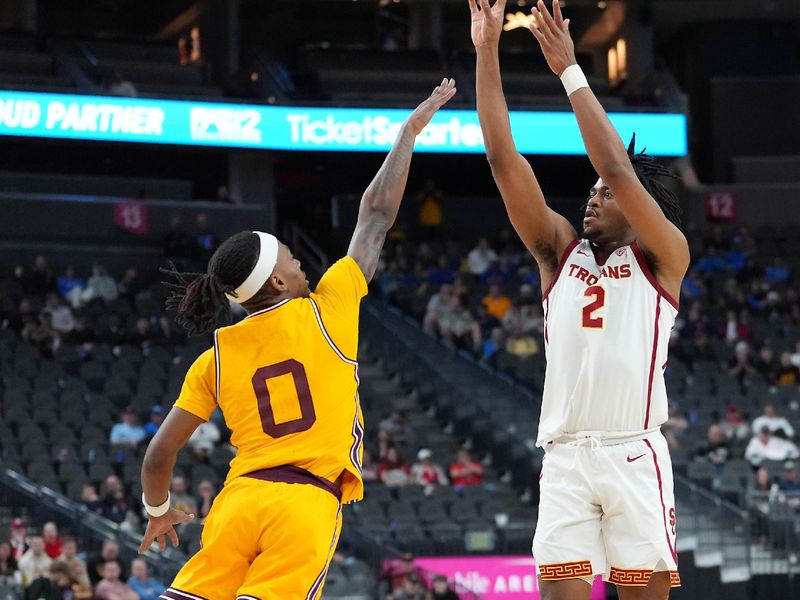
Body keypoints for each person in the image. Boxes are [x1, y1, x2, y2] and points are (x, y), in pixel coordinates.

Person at [138, 80, 457, 599]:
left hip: (237, 502)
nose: (299, 257)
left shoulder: (215, 356)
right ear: (278, 281)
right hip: (305, 504)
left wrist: (158, 511)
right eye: (289, 253)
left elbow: (158, 454)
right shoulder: (329, 308)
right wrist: (408, 134)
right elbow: (375, 217)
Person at [469, 0, 688, 594]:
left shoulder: (663, 258)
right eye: (590, 191)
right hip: (565, 459)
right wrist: (487, 52)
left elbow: (616, 166)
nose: (593, 197)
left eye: (605, 196)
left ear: (643, 212)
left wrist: (570, 70)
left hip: (633, 456)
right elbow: (501, 158)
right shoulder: (558, 251)